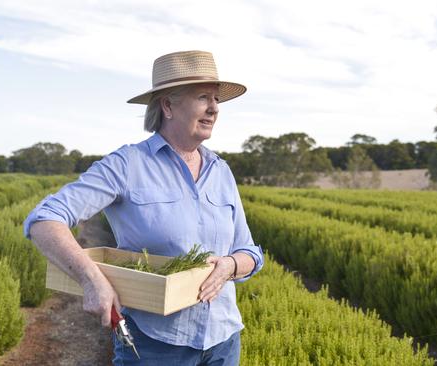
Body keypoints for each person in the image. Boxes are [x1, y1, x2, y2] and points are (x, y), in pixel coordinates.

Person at [23, 50, 264, 366]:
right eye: (204, 97)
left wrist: (230, 266)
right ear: (167, 105)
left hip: (223, 342)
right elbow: (44, 219)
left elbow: (249, 251)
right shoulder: (128, 165)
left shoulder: (221, 171)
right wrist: (91, 280)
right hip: (154, 347)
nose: (214, 108)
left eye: (216, 99)